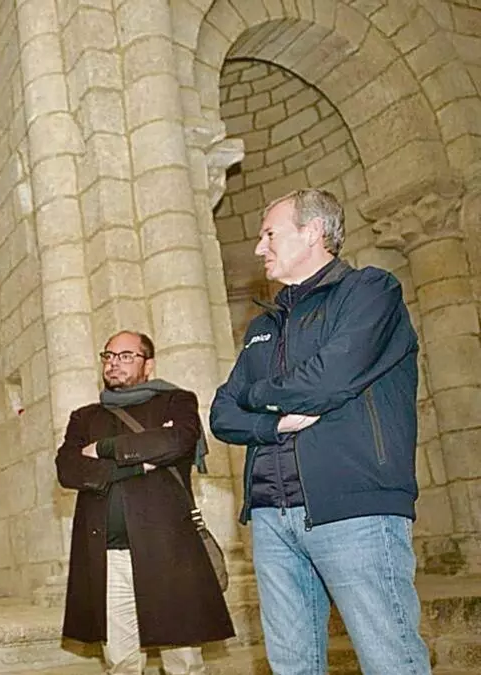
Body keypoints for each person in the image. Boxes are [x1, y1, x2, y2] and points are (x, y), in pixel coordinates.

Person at [210, 188, 430, 675]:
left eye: (269, 234)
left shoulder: (370, 291)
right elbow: (221, 414)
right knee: (292, 664)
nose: (259, 248)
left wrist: (255, 395)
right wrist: (272, 423)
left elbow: (326, 382)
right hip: (271, 514)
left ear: (311, 232)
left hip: (355, 509)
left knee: (389, 659)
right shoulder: (263, 325)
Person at [57, 331, 233, 674]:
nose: (114, 364)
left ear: (148, 365)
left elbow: (176, 441)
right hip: (108, 557)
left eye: (126, 356)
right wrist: (137, 464)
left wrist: (103, 449)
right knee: (121, 663)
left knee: (183, 664)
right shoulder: (84, 417)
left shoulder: (176, 401)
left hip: (168, 552)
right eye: (108, 356)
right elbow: (69, 469)